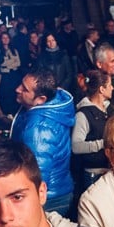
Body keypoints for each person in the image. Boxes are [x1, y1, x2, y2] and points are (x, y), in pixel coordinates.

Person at [11, 68, 76, 216]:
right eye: (21, 84)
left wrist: (25, 203)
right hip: (60, 189)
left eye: (24, 89)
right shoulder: (55, 103)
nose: (17, 89)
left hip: (49, 199)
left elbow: (37, 172)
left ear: (41, 99)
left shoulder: (38, 129)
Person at [72, 69, 113, 190]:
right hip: (93, 175)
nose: (112, 88)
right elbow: (76, 146)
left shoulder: (107, 110)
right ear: (102, 89)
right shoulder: (83, 115)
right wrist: (102, 143)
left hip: (108, 172)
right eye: (110, 85)